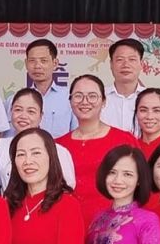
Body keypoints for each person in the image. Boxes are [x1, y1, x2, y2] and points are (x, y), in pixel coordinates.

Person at [57, 74, 140, 223]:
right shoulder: (58, 145)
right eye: (78, 96)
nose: (85, 101)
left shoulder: (123, 140)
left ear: (104, 101)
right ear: (70, 101)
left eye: (92, 96)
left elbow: (140, 183)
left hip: (113, 224)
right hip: (68, 222)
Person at [0, 88, 76, 192]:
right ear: (11, 111)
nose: (23, 116)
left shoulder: (58, 151)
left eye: (31, 111)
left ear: (41, 116)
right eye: (18, 110)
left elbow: (67, 187)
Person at [23, 39, 73, 136]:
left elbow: (78, 134)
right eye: (32, 61)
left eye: (43, 61)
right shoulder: (15, 100)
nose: (37, 66)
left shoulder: (69, 98)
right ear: (26, 63)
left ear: (55, 63)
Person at [103, 40, 147, 135]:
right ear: (111, 64)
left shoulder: (153, 99)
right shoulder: (98, 98)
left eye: (132, 59)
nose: (126, 65)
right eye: (120, 59)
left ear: (141, 64)